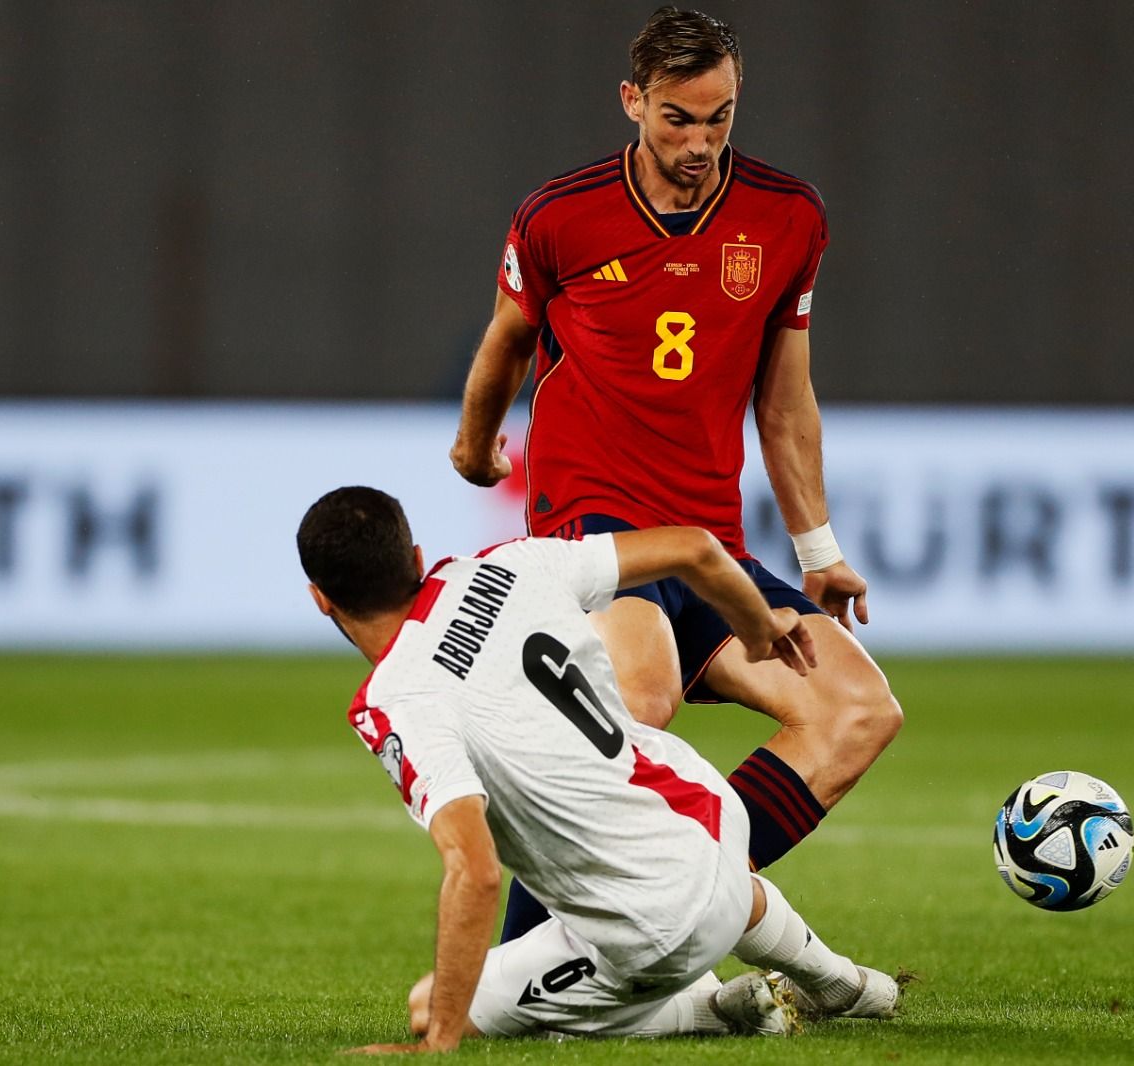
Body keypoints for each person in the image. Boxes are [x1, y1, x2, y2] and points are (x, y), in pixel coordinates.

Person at [449, 6, 903, 939]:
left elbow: (783, 402)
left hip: (711, 547)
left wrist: (817, 548)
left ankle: (673, 894)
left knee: (858, 711)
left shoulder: (788, 217)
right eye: (677, 119)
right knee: (640, 697)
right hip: (596, 525)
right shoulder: (559, 216)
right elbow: (506, 341)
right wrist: (472, 445)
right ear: (633, 102)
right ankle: (531, 955)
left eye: (720, 117)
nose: (700, 143)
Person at [297, 486, 899, 1052]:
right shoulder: (505, 563)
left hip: (659, 927)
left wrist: (440, 1041)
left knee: (432, 1004)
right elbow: (693, 546)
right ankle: (848, 985)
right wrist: (758, 624)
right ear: (417, 557)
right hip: (714, 819)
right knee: (688, 874)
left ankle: (712, 1009)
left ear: (320, 597)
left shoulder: (398, 702)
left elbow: (476, 873)